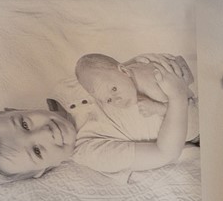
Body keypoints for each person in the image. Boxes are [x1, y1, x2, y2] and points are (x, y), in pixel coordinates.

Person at [0, 57, 197, 185]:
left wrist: (159, 65)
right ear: (41, 171)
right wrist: (177, 97)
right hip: (194, 122)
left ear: (15, 109)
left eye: (24, 124)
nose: (45, 132)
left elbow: (121, 70)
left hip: (183, 79)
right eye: (36, 151)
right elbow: (165, 152)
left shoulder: (65, 87)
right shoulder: (92, 152)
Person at [70, 52, 198, 143]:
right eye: (109, 100)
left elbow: (186, 106)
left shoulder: (151, 83)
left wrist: (158, 108)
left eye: (114, 89)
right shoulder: (127, 73)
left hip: (199, 125)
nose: (117, 100)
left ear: (124, 71)